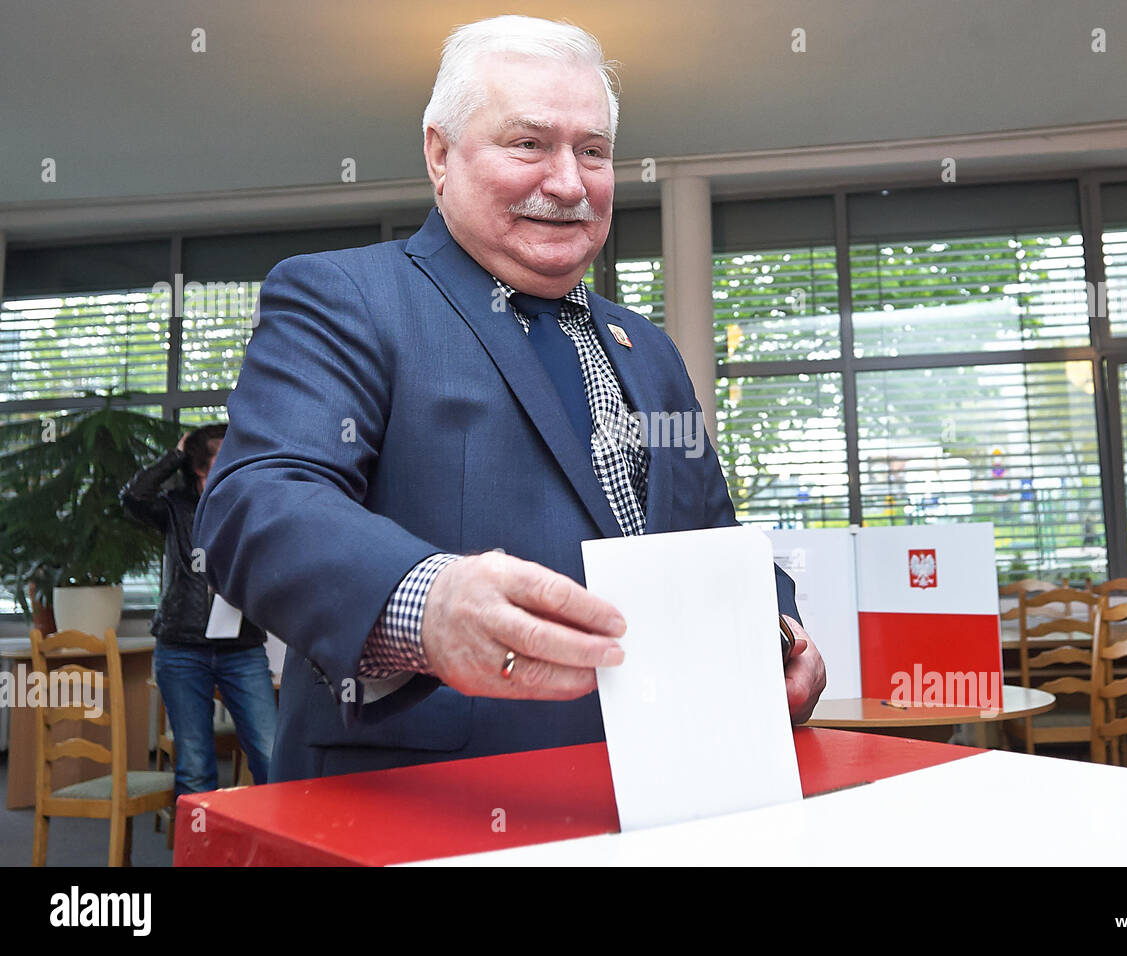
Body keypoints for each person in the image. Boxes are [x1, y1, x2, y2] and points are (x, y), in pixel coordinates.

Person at [194, 14, 826, 783]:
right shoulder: (348, 296)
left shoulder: (650, 351)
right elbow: (256, 503)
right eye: (529, 143)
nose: (567, 182)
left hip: (661, 789)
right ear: (439, 152)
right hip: (422, 807)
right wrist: (424, 604)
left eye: (592, 151)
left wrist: (778, 630)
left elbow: (715, 538)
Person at [120, 424, 278, 795]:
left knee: (271, 755)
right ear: (200, 466)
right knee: (194, 768)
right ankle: (200, 850)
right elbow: (133, 496)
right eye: (225, 451)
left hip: (242, 648)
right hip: (181, 647)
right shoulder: (175, 508)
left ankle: (277, 849)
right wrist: (175, 454)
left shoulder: (253, 501)